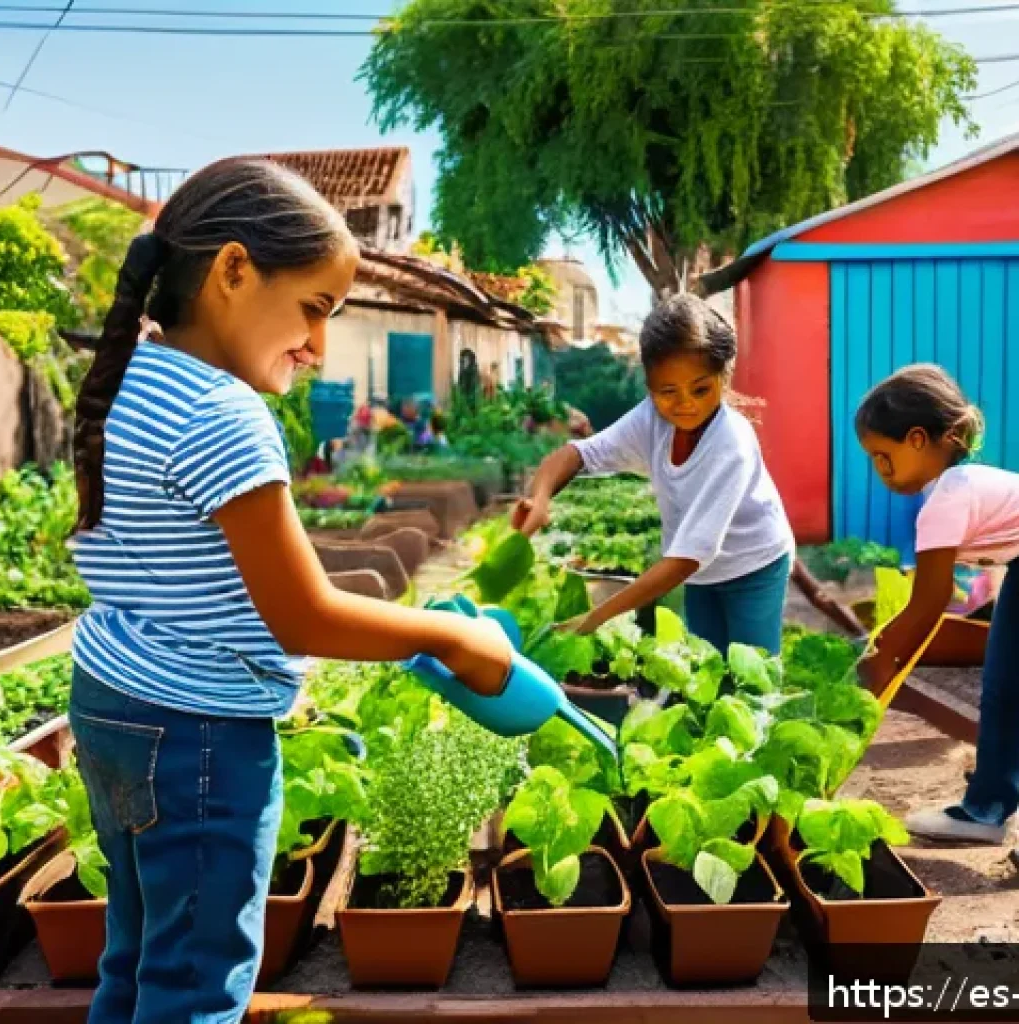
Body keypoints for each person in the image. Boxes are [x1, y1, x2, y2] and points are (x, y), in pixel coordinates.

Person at [67, 157, 512, 1024]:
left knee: (132, 966)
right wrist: (453, 638)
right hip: (197, 733)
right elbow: (300, 612)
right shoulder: (223, 413)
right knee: (195, 986)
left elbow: (212, 569)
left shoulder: (130, 381)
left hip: (111, 705)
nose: (319, 347)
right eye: (315, 308)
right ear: (234, 270)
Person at [512, 293, 795, 655]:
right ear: (649, 386)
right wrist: (539, 497)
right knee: (705, 669)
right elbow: (579, 453)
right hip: (703, 573)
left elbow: (684, 560)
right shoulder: (651, 419)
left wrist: (598, 616)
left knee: (754, 678)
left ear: (724, 377)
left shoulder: (731, 444)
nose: (685, 404)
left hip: (754, 564)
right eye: (668, 392)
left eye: (701, 389)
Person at [855, 364, 1019, 848]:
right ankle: (984, 809)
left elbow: (926, 608)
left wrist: (879, 666)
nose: (881, 471)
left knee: (1008, 689)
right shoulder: (956, 489)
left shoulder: (949, 496)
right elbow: (952, 596)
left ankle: (985, 808)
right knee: (1004, 688)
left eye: (885, 456)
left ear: (920, 439)